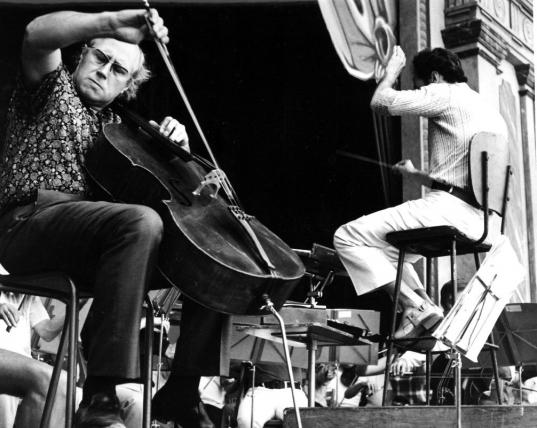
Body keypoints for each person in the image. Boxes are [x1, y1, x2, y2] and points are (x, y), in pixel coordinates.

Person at [0, 8, 220, 427]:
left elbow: (164, 201)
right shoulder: (51, 90)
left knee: (206, 252)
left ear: (128, 86)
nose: (104, 71)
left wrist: (174, 150)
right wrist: (111, 23)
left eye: (119, 70)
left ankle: (183, 389)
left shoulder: (123, 131)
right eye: (100, 57)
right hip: (27, 224)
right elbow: (35, 34)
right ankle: (99, 394)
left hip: (88, 243)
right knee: (138, 222)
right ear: (82, 54)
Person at [333, 46, 507, 345]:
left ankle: (416, 306)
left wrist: (391, 73)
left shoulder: (445, 93)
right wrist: (417, 175)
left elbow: (380, 102)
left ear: (436, 76)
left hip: (448, 210)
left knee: (347, 237)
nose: (420, 92)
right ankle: (425, 308)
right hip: (484, 223)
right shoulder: (489, 111)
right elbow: (473, 181)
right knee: (389, 254)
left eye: (420, 85)